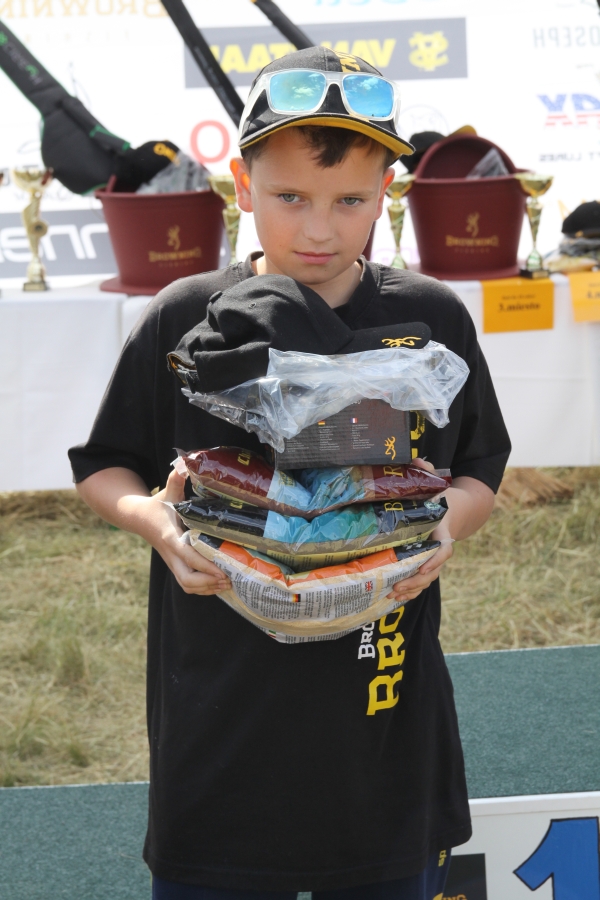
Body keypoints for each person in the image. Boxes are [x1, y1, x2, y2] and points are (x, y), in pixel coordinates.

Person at [69, 47, 510, 900]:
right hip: (221, 718)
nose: (320, 230)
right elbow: (104, 466)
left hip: (381, 709)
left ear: (388, 192)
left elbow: (479, 467)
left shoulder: (428, 318)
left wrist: (442, 528)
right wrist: (157, 524)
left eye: (350, 201)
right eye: (290, 198)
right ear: (243, 186)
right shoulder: (185, 316)